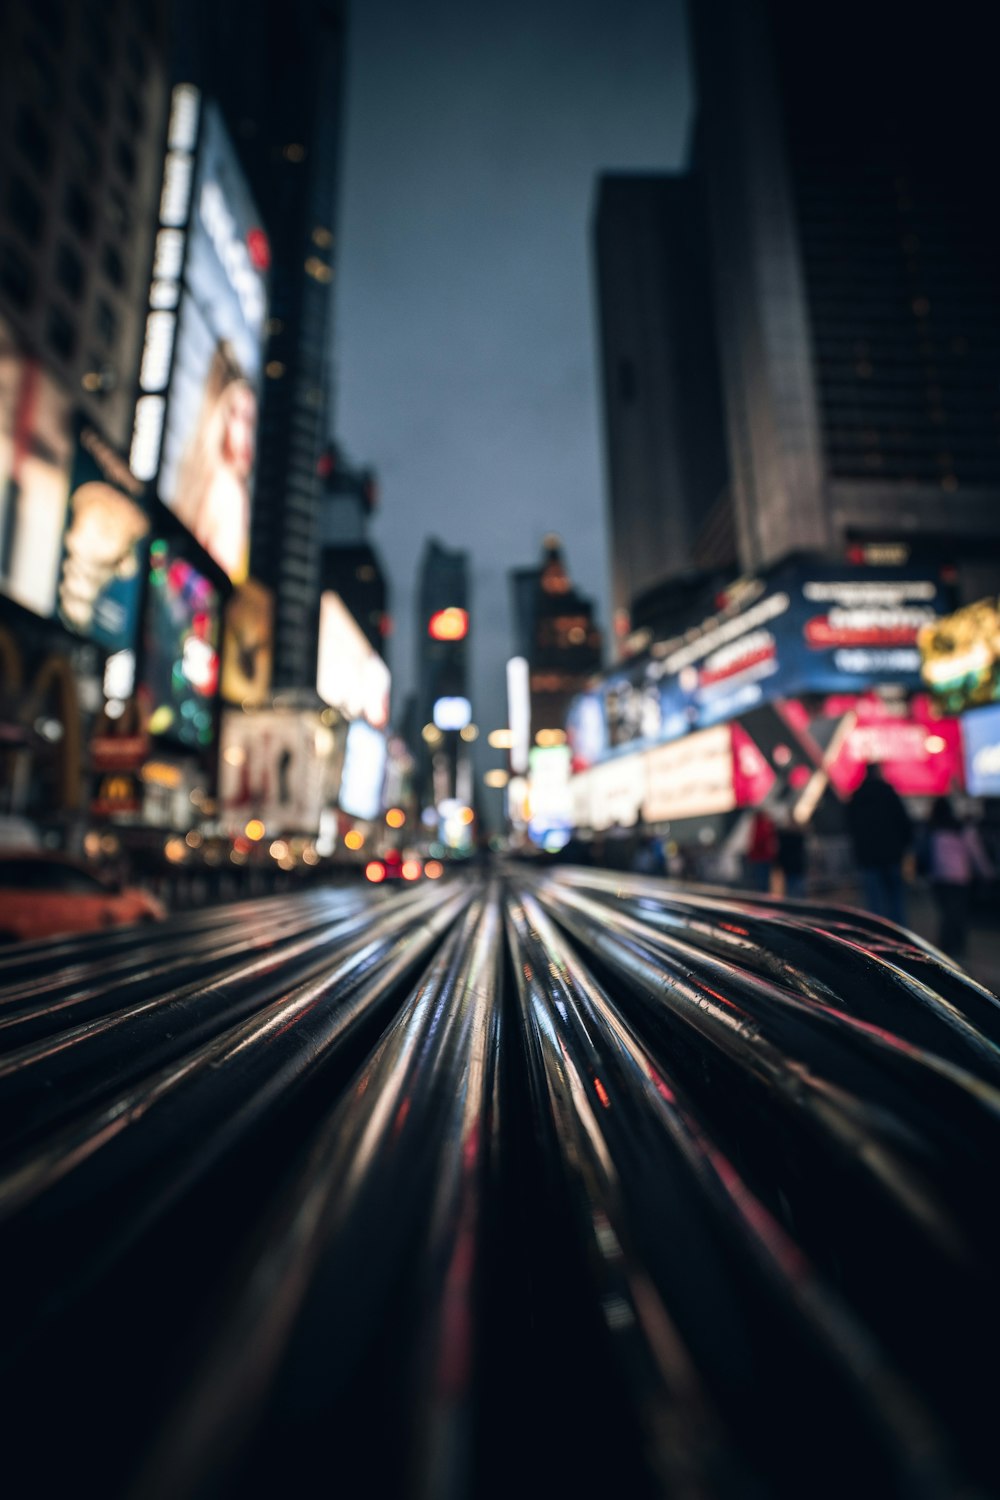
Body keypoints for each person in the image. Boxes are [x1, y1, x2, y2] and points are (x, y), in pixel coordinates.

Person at [175, 341, 257, 582]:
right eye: (241, 417)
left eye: (251, 421)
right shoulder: (231, 490)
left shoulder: (206, 479)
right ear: (221, 416)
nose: (247, 433)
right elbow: (220, 574)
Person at [844, 763, 912, 925]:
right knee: (896, 901)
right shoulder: (889, 793)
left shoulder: (857, 796)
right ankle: (900, 937)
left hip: (868, 857)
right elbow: (904, 822)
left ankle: (879, 938)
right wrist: (904, 845)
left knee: (875, 905)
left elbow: (850, 826)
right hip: (892, 855)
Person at [926, 796, 993, 959]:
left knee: (947, 915)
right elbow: (976, 854)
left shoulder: (932, 830)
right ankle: (956, 952)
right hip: (960, 878)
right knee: (958, 915)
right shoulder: (963, 829)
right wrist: (987, 873)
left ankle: (945, 950)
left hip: (939, 878)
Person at [774, 799, 808, 898]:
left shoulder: (784, 835)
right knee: (796, 890)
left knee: (793, 890)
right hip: (795, 866)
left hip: (792, 866)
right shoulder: (797, 834)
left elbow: (781, 851)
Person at [745, 807, 778, 892]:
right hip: (762, 857)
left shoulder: (758, 825)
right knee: (762, 881)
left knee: (761, 880)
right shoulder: (763, 825)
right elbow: (760, 841)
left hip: (761, 857)